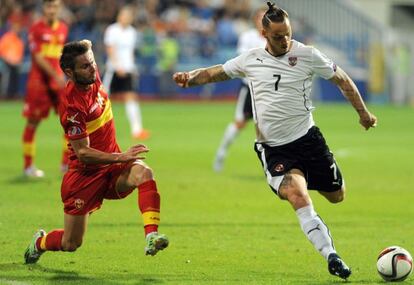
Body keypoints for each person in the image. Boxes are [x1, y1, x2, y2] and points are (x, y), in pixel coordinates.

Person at [173, 2, 377, 280]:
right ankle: (331, 255)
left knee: (337, 196)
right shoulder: (251, 59)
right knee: (298, 195)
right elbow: (215, 72)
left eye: (288, 34)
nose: (285, 41)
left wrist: (363, 113)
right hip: (274, 149)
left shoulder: (307, 54)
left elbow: (342, 79)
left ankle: (314, 183)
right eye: (278, 36)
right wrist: (190, 78)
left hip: (309, 140)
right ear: (264, 33)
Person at [24, 39, 169, 264]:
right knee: (71, 244)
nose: (92, 69)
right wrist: (121, 156)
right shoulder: (72, 106)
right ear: (69, 73)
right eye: (85, 66)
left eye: (92, 63)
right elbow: (83, 153)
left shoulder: (92, 75)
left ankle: (151, 236)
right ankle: (39, 242)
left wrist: (85, 46)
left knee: (144, 174)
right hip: (85, 177)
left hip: (113, 167)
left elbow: (87, 44)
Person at [213, 8, 266, 172]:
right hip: (250, 88)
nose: (264, 21)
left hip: (269, 90)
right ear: (255, 20)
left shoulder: (277, 39)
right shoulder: (248, 37)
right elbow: (243, 61)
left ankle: (271, 166)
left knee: (267, 128)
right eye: (261, 18)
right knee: (240, 123)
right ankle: (221, 153)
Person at [22, 0, 69, 177]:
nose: (52, 10)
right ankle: (28, 166)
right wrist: (57, 75)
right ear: (44, 8)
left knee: (69, 122)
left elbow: (60, 55)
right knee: (32, 122)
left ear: (59, 8)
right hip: (39, 83)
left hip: (58, 84)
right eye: (49, 6)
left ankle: (66, 164)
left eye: (55, 6)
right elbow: (39, 58)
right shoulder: (36, 28)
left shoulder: (63, 28)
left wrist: (65, 73)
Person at [103, 6, 150, 140]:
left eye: (129, 16)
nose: (126, 18)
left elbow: (130, 53)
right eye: (124, 15)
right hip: (113, 69)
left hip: (128, 69)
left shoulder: (132, 32)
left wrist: (132, 68)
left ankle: (137, 130)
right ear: (119, 16)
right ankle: (95, 128)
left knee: (131, 97)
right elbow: (110, 49)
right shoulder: (112, 30)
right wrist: (117, 66)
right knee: (103, 99)